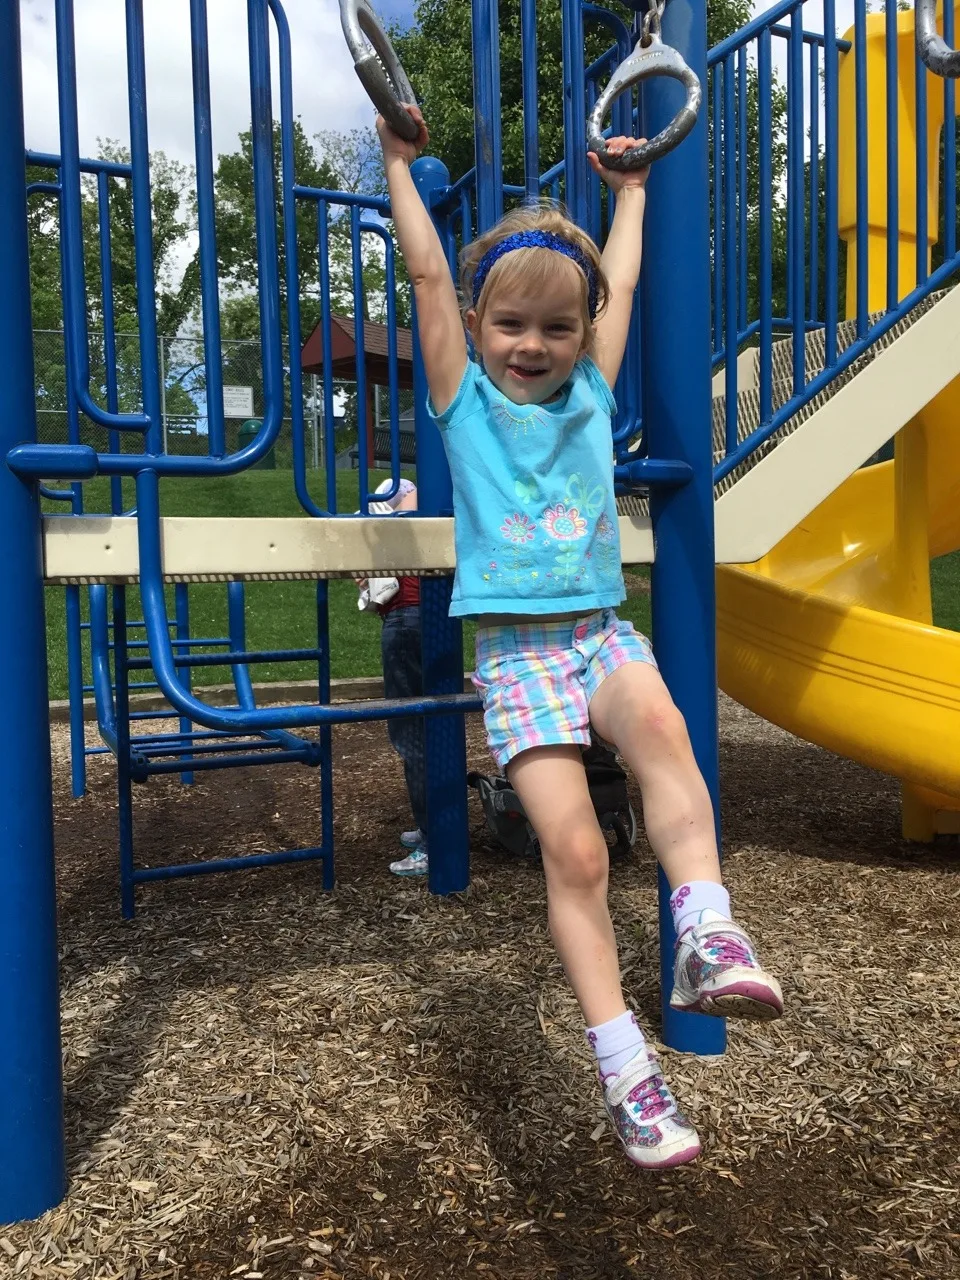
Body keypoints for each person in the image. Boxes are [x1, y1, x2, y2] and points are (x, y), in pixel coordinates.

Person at [376, 104, 783, 1169]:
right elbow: (426, 280)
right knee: (578, 850)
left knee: (663, 728)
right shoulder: (463, 397)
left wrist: (634, 194)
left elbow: (626, 286)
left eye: (558, 329)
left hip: (597, 632)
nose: (535, 345)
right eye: (512, 323)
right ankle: (625, 1069)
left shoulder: (594, 393)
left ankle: (706, 928)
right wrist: (396, 168)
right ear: (481, 319)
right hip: (514, 655)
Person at [357, 477, 429, 877]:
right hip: (424, 619)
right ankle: (431, 828)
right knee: (428, 726)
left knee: (411, 733)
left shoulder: (398, 527)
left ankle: (434, 838)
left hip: (404, 622)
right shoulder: (422, 524)